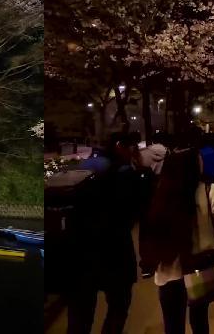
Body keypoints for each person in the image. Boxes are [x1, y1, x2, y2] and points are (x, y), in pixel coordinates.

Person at [139, 150, 214, 334]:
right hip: (199, 269)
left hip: (167, 273)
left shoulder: (160, 192)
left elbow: (149, 231)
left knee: (172, 326)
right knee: (200, 322)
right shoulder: (210, 191)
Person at [65, 135, 150, 334]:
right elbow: (137, 210)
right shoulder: (125, 174)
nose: (135, 151)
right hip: (115, 250)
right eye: (132, 147)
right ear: (121, 147)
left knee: (81, 310)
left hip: (81, 251)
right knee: (119, 305)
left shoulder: (86, 171)